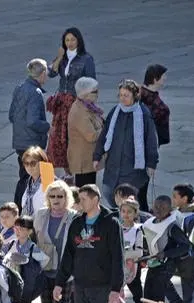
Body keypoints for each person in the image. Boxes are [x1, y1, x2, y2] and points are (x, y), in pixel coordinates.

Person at [54, 184, 124, 303]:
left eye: (84, 199)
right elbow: (68, 255)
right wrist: (59, 283)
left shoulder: (111, 224)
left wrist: (116, 288)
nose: (80, 202)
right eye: (80, 199)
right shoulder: (77, 223)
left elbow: (118, 257)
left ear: (96, 200)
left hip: (103, 287)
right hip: (81, 286)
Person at [93, 79, 159, 211]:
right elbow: (104, 135)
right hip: (113, 166)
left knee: (134, 201)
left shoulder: (144, 114)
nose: (122, 98)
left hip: (134, 169)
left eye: (126, 95)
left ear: (135, 96)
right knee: (108, 193)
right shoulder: (115, 112)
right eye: (121, 95)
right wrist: (97, 156)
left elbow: (151, 140)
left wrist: (152, 163)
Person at [46, 27, 95, 172]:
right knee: (59, 138)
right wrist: (60, 56)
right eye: (67, 40)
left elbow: (91, 81)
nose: (70, 43)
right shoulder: (64, 58)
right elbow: (51, 73)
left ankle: (75, 168)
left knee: (73, 136)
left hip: (76, 100)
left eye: (73, 39)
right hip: (62, 102)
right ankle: (67, 171)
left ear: (79, 40)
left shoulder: (86, 59)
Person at [8, 58, 50, 208]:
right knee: (36, 175)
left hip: (20, 141)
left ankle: (19, 207)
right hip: (32, 143)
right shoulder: (36, 93)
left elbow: (11, 115)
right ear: (42, 74)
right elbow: (33, 121)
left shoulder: (19, 88)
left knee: (24, 175)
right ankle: (24, 207)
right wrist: (47, 127)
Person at [67, 77, 104, 187]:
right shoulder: (79, 112)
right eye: (95, 91)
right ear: (85, 94)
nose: (98, 94)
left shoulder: (87, 106)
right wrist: (106, 130)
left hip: (87, 160)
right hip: (83, 162)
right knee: (85, 192)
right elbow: (91, 136)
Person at [140, 64, 170, 149]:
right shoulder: (147, 98)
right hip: (148, 140)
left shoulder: (147, 94)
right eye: (162, 76)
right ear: (155, 79)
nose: (165, 78)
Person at [17, 146, 51, 218]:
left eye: (33, 163)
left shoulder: (49, 181)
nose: (29, 167)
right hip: (27, 224)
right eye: (26, 163)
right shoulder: (25, 183)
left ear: (42, 163)